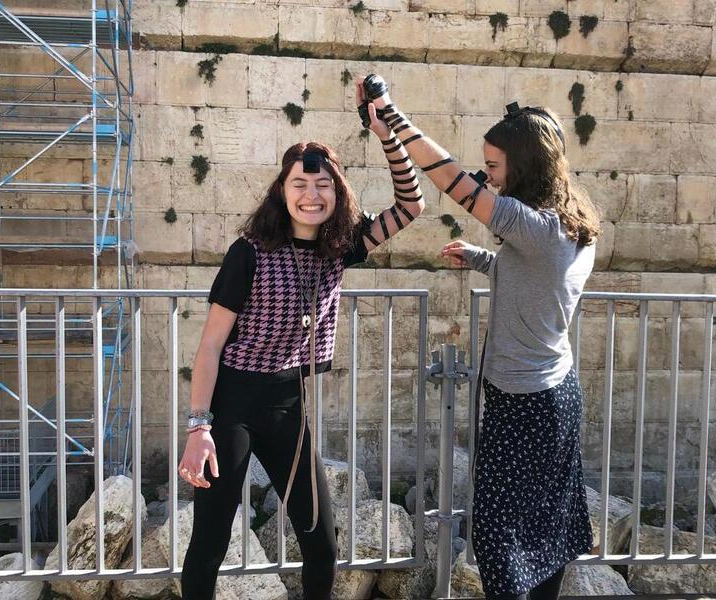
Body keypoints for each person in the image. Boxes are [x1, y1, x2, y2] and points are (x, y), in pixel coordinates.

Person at [177, 81, 425, 599]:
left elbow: (411, 203)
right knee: (211, 540)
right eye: (300, 185)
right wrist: (199, 427)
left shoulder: (341, 248)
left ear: (337, 195)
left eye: (323, 187)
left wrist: (386, 132)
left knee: (321, 543)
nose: (311, 196)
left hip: (289, 405)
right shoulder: (249, 252)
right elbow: (209, 347)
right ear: (282, 191)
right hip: (233, 406)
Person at [363, 78, 599, 599]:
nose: (487, 177)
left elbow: (449, 178)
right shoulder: (567, 223)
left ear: (524, 166)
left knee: (495, 538)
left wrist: (391, 116)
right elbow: (540, 281)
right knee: (544, 530)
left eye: (493, 167)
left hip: (527, 404)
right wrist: (481, 258)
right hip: (550, 395)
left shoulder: (535, 227)